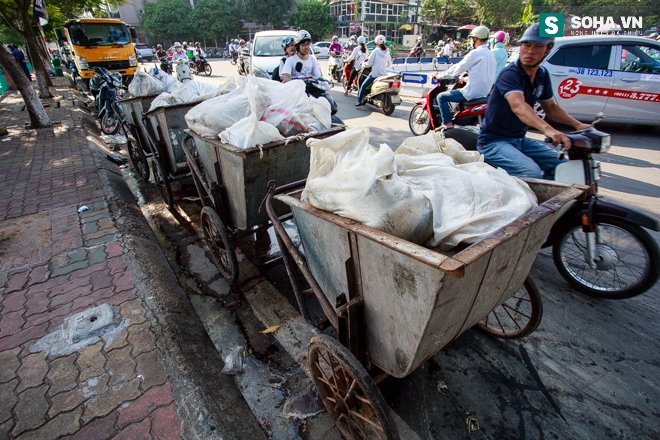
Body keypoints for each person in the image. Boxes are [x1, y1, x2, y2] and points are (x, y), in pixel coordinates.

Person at [476, 23, 592, 180]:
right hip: (493, 142)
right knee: (531, 173)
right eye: (527, 45)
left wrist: (577, 125)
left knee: (562, 166)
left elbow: (550, 107)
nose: (530, 51)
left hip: (519, 140)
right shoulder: (510, 74)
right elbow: (519, 106)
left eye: (538, 46)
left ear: (548, 48)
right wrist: (548, 129)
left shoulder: (542, 75)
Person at [435, 26, 495, 128]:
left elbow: (458, 68)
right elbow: (482, 75)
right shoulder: (491, 54)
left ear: (475, 39)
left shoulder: (475, 53)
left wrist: (441, 76)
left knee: (441, 97)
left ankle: (447, 125)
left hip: (472, 93)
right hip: (484, 93)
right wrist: (465, 79)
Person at [356, 35, 392, 106]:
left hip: (374, 74)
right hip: (383, 75)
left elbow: (369, 63)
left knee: (363, 86)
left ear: (376, 42)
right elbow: (389, 64)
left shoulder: (375, 51)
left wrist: (363, 64)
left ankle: (359, 101)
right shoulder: (387, 52)